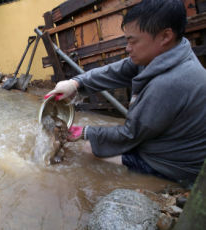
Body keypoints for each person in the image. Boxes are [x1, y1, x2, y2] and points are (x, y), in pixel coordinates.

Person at [45, 0, 206, 185]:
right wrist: (75, 83)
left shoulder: (170, 83)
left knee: (88, 150)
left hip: (174, 165)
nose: (127, 48)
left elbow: (130, 135)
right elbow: (116, 71)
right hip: (162, 141)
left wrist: (84, 132)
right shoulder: (166, 54)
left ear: (165, 36)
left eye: (132, 41)